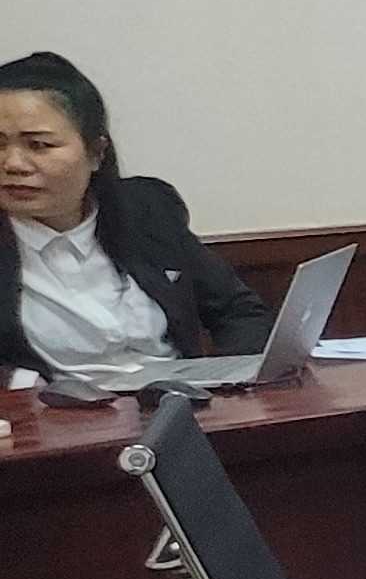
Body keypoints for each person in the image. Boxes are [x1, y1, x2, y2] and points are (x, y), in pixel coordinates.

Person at [0, 52, 269, 383]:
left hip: (177, 403)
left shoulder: (145, 211)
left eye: (39, 145)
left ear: (96, 153)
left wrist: (229, 382)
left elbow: (239, 312)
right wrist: (21, 386)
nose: (13, 164)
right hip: (54, 412)